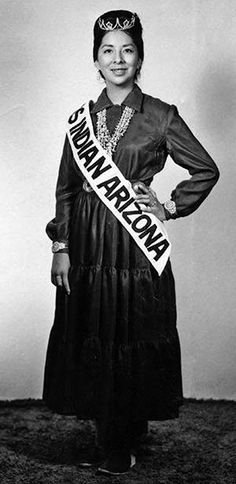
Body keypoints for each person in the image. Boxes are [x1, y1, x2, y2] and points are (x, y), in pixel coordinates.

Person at [43, 9, 219, 476]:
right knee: (94, 331)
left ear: (140, 57)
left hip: (135, 248)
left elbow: (205, 168)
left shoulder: (161, 115)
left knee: (131, 332)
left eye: (127, 49)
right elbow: (65, 189)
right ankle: (108, 434)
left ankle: (123, 439)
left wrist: (170, 206)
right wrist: (61, 247)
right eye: (108, 51)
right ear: (95, 60)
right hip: (86, 245)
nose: (117, 59)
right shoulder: (80, 120)